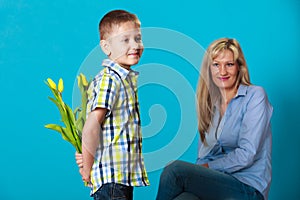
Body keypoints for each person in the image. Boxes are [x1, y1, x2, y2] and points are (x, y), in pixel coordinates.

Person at [156, 38, 273, 200]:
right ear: (209, 69)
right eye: (216, 65)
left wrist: (207, 168)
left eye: (229, 64)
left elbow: (247, 154)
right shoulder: (211, 104)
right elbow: (203, 156)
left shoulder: (255, 96)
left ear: (239, 67)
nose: (222, 72)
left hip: (248, 188)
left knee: (174, 170)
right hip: (215, 184)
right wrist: (203, 170)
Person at [75, 10, 149, 200]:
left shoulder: (123, 80)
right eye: (125, 40)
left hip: (120, 178)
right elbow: (92, 126)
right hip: (112, 179)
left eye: (138, 38)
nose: (135, 45)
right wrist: (87, 167)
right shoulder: (110, 80)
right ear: (106, 47)